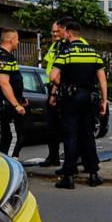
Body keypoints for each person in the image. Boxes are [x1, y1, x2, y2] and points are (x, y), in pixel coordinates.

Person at [50, 21, 108, 190]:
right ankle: (93, 174)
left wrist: (63, 86)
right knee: (88, 135)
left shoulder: (65, 52)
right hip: (89, 98)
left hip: (71, 99)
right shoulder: (93, 52)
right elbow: (102, 79)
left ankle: (69, 177)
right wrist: (104, 101)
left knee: (71, 136)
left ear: (69, 34)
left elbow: (53, 76)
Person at [0, 28, 28, 159]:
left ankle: (8, 162)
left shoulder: (6, 56)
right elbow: (4, 83)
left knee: (10, 137)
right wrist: (16, 105)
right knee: (13, 138)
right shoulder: (3, 58)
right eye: (17, 39)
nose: (18, 42)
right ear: (11, 40)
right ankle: (10, 166)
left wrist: (21, 98)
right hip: (10, 107)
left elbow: (13, 82)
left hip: (11, 103)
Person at [39, 21, 66, 167]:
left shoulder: (65, 46)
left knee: (64, 126)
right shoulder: (55, 45)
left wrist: (54, 93)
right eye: (53, 31)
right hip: (52, 88)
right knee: (52, 126)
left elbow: (60, 71)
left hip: (59, 89)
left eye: (57, 31)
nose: (55, 34)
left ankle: (71, 158)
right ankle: (53, 156)